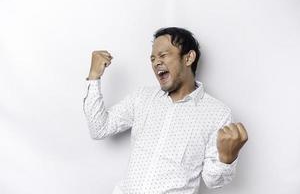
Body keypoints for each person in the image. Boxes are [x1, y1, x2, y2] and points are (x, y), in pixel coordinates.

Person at [83, 27, 248, 193]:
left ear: (189, 58)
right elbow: (99, 128)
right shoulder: (141, 98)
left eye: (163, 55)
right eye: (153, 58)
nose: (156, 63)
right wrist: (94, 76)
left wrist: (227, 159)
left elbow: (213, 181)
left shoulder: (217, 113)